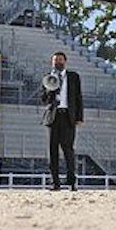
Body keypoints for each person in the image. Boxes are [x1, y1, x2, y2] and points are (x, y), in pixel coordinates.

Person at [40, 52, 83, 191]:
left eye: (60, 59)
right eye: (55, 60)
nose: (57, 62)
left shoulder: (73, 77)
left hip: (68, 117)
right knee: (53, 152)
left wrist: (79, 117)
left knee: (68, 151)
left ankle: (71, 182)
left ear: (65, 61)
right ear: (52, 63)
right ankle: (55, 183)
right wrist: (51, 89)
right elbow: (44, 100)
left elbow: (78, 98)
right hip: (53, 117)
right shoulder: (48, 78)